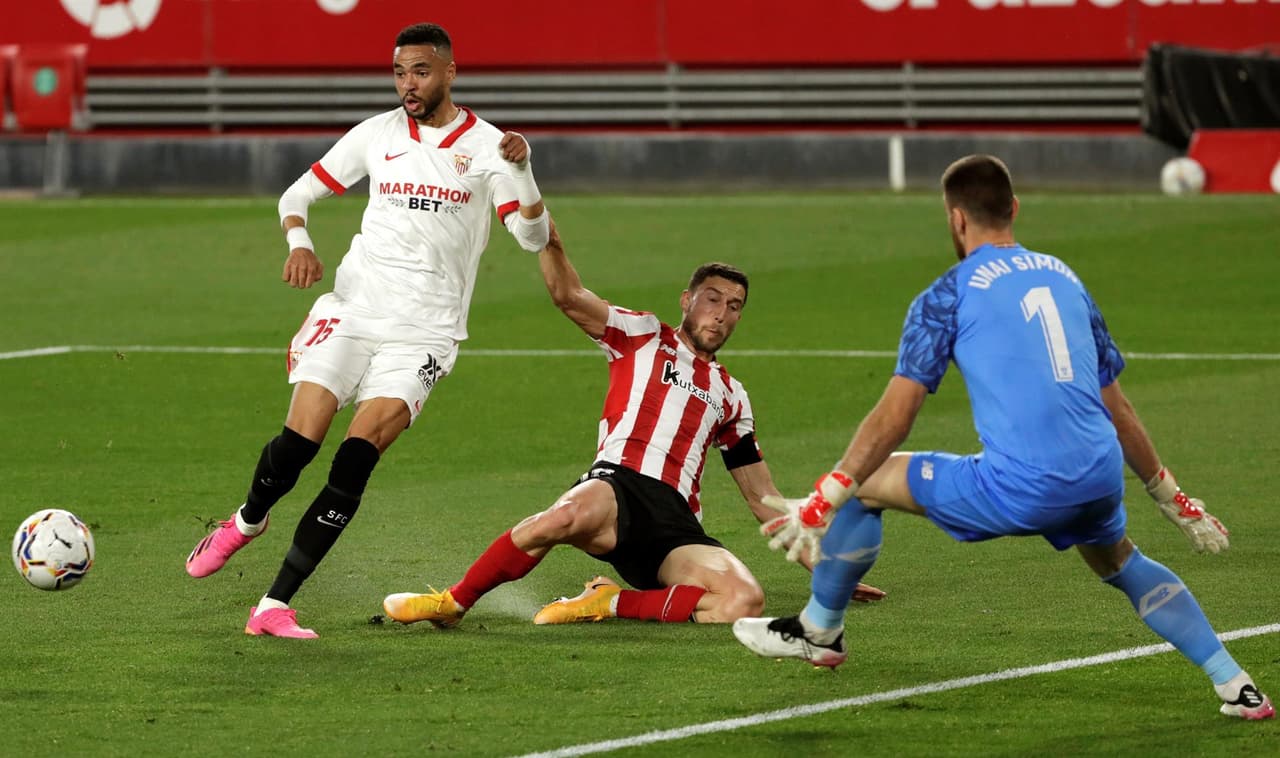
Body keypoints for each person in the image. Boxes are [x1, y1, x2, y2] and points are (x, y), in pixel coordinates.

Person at [732, 154, 1273, 721]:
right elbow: (1118, 406)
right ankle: (1236, 684)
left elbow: (896, 413)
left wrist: (825, 496)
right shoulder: (1064, 278)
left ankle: (820, 630)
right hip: (1097, 474)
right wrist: (1171, 497)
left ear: (956, 220)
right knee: (1119, 560)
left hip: (1024, 485)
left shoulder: (947, 296)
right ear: (1014, 209)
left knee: (869, 482)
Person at [183, 22, 551, 638]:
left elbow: (531, 237)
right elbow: (297, 194)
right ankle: (247, 520)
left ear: (450, 72)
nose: (409, 83)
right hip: (355, 309)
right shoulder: (376, 134)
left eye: (422, 71)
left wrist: (525, 170)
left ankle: (272, 606)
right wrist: (300, 242)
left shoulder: (492, 147)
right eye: (401, 72)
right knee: (299, 444)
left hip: (425, 333)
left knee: (353, 463)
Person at [381, 221, 884, 628]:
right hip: (617, 487)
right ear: (686, 300)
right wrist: (549, 241)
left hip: (675, 525)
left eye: (734, 307)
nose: (722, 314)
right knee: (558, 520)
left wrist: (818, 564)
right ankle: (453, 602)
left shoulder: (733, 396)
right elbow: (568, 296)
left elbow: (762, 497)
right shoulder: (641, 333)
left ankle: (607, 602)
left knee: (743, 602)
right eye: (712, 298)